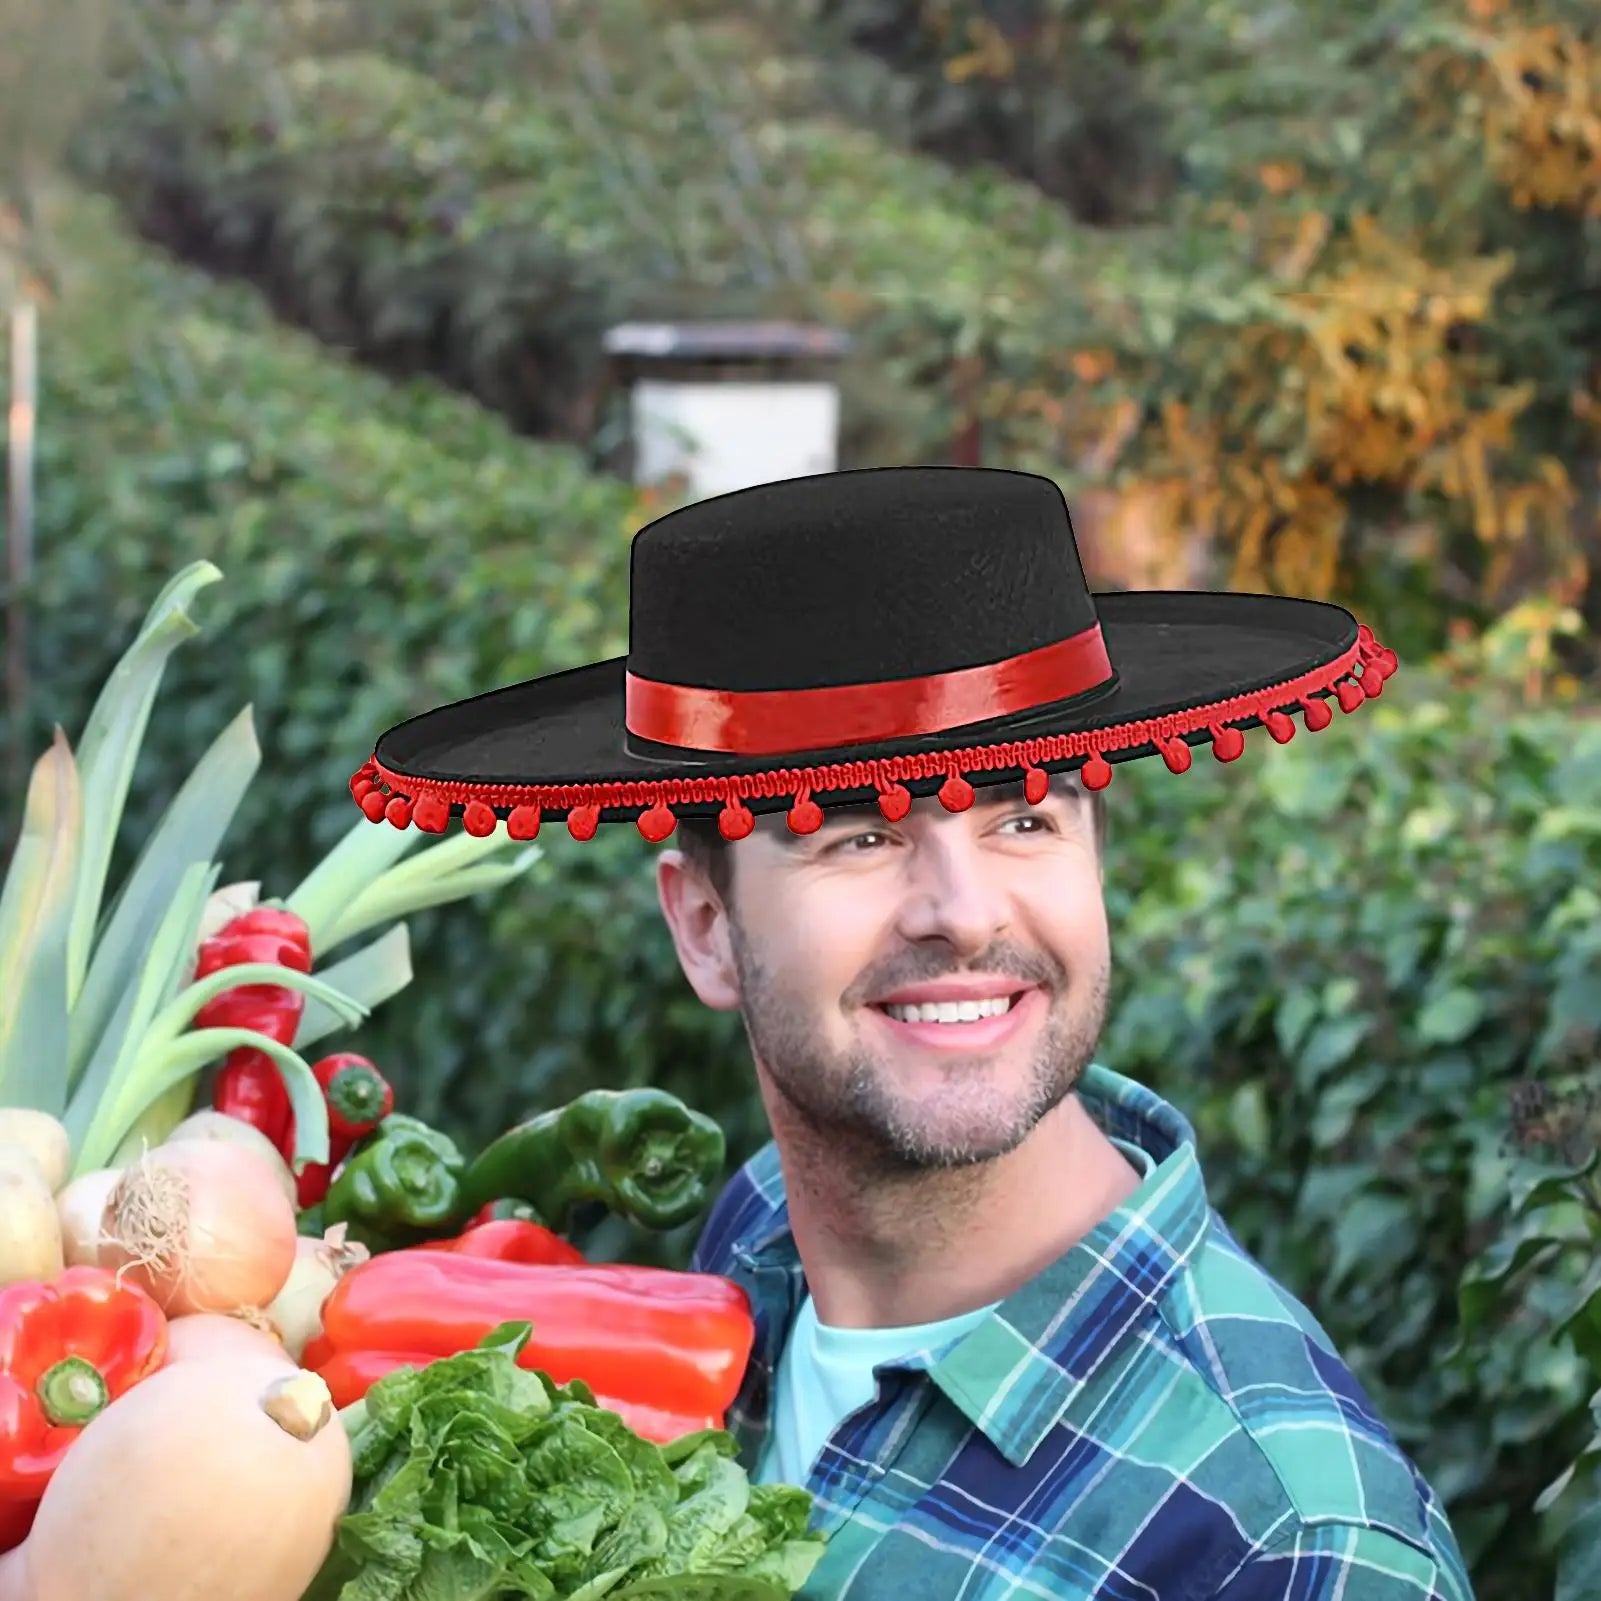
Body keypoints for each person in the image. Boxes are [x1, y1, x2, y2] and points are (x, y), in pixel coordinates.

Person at [352, 465, 1473, 1599]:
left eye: (1024, 816)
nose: (964, 910)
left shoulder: (1286, 1544)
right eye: (853, 835)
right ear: (702, 925)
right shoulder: (758, 1240)